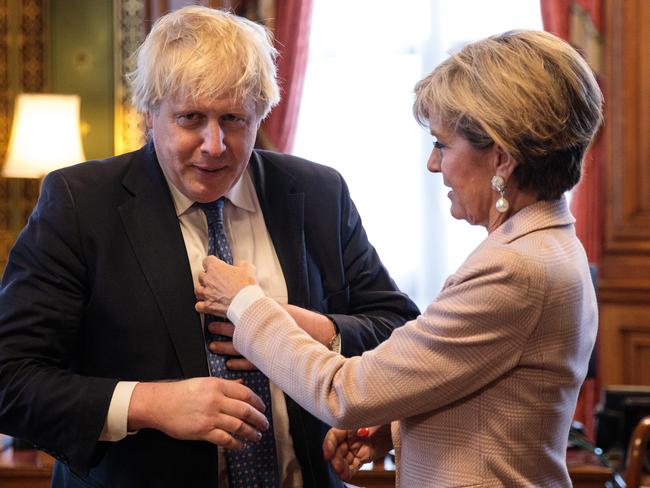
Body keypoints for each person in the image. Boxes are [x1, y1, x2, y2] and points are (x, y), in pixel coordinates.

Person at [0, 6, 419, 488]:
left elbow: (402, 335)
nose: (215, 144)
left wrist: (316, 331)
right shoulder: (80, 204)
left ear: (261, 113)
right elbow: (11, 379)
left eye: (234, 119)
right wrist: (150, 404)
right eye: (191, 118)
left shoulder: (317, 194)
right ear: (150, 112)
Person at [195, 29, 603, 487]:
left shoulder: (515, 268)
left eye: (443, 144)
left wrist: (248, 305)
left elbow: (343, 392)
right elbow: (486, 392)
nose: (434, 163)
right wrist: (391, 431)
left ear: (502, 158)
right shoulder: (546, 244)